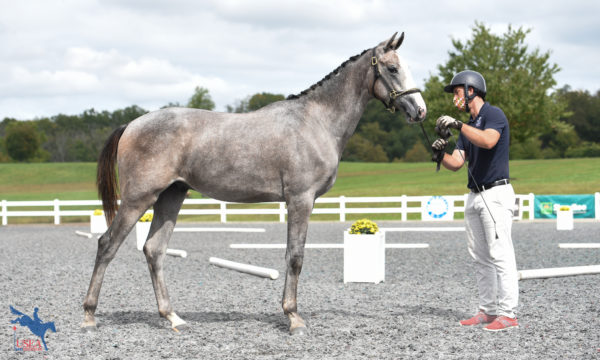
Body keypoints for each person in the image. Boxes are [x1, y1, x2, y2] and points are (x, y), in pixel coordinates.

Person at [432, 70, 519, 331]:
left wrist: (459, 125)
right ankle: (488, 310)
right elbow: (457, 163)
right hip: (474, 196)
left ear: (472, 90)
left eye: (457, 92)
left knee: (500, 254)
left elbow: (489, 141)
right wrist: (439, 154)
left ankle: (508, 314)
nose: (455, 98)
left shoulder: (494, 115)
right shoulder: (467, 128)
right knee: (480, 256)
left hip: (495, 194)